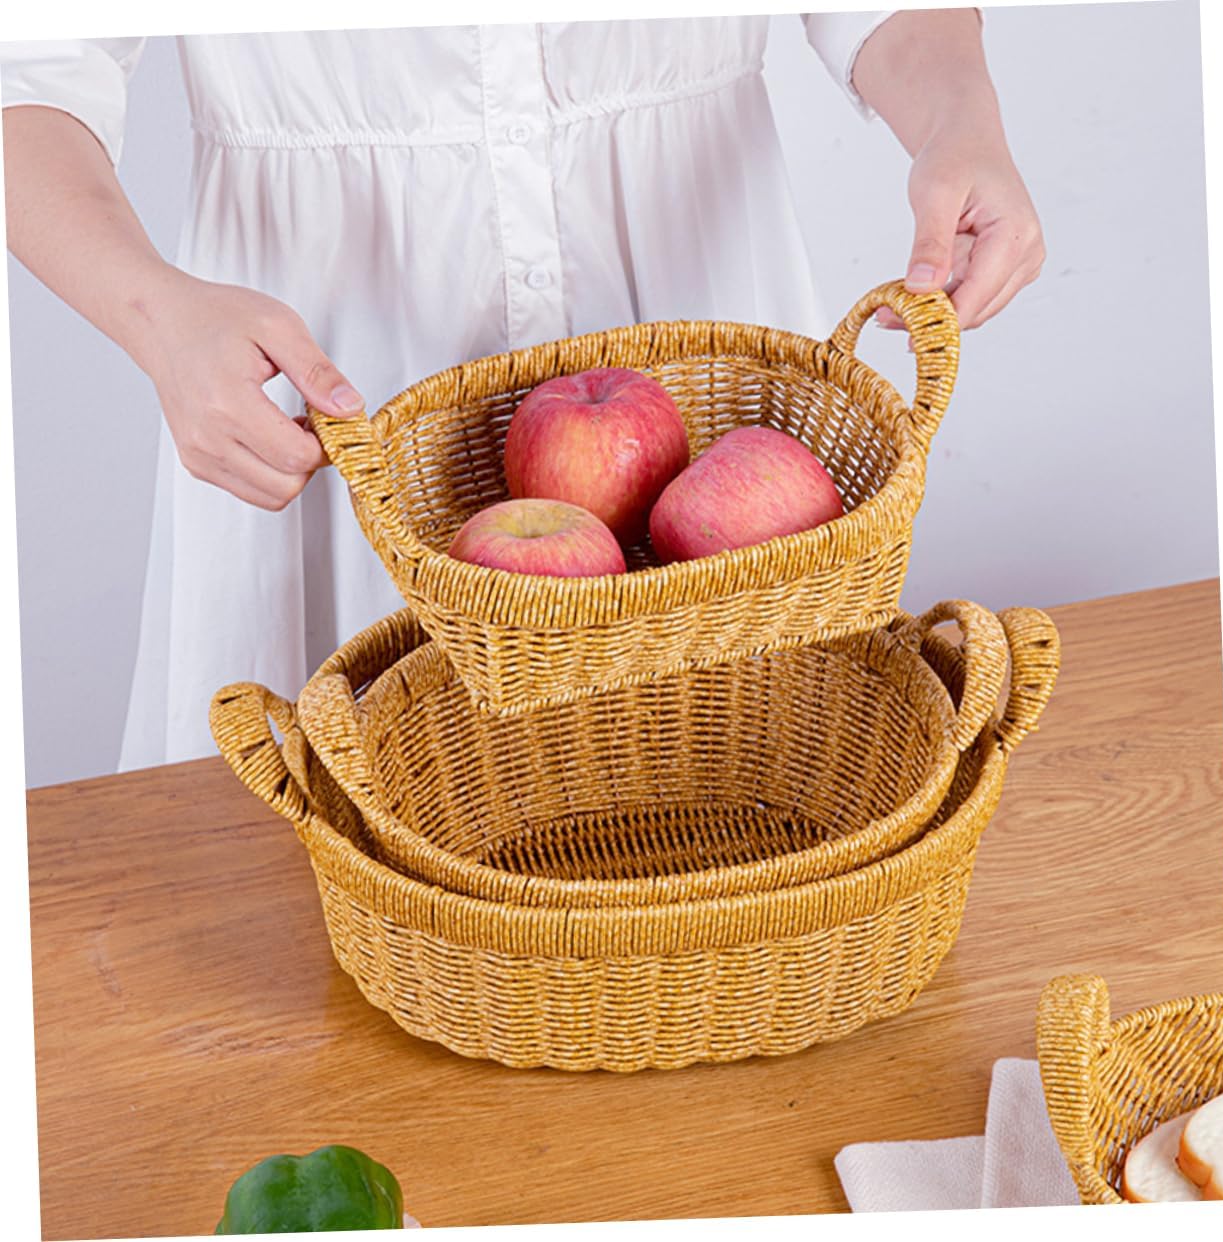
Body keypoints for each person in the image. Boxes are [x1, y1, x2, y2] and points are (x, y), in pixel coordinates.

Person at [2, 11, 1043, 771]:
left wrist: (964, 123)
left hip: (707, 395)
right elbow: (26, 69)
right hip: (328, 382)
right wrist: (155, 316)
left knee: (753, 831)